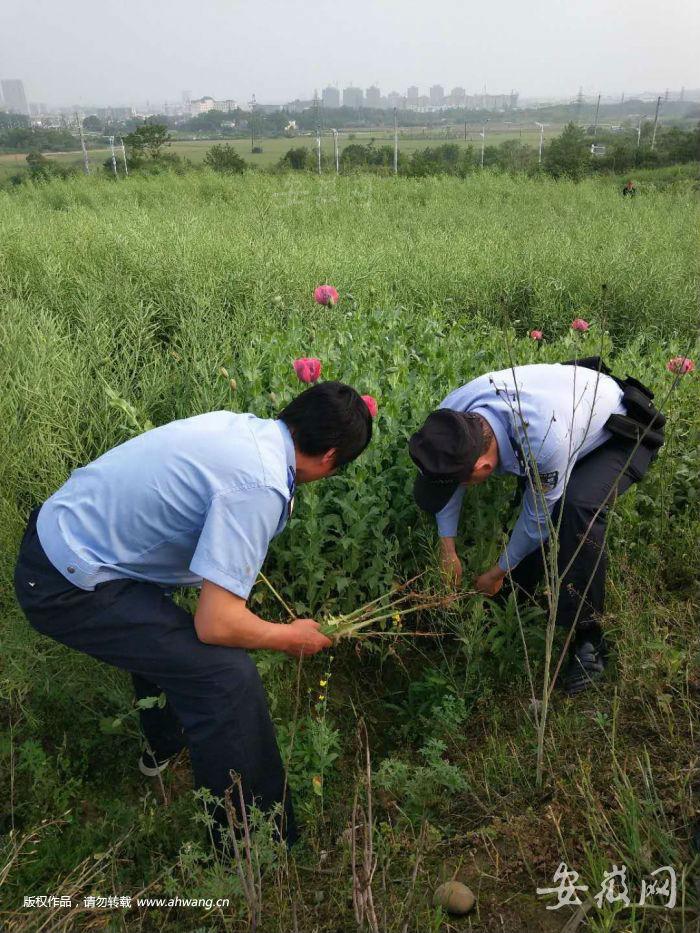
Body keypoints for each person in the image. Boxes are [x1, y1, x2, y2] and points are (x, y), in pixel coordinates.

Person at [14, 381, 373, 849]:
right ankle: (253, 845)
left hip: (64, 537)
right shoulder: (260, 484)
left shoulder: (248, 432)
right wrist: (289, 637)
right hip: (67, 585)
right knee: (224, 676)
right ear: (329, 458)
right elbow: (217, 623)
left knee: (168, 635)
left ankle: (165, 743)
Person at [408, 360, 664, 696]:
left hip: (619, 429)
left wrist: (497, 571)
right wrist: (447, 549)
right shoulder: (451, 416)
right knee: (543, 506)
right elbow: (448, 478)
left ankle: (589, 638)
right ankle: (519, 597)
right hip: (570, 414)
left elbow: (537, 518)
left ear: (484, 466)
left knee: (575, 508)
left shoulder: (544, 441)